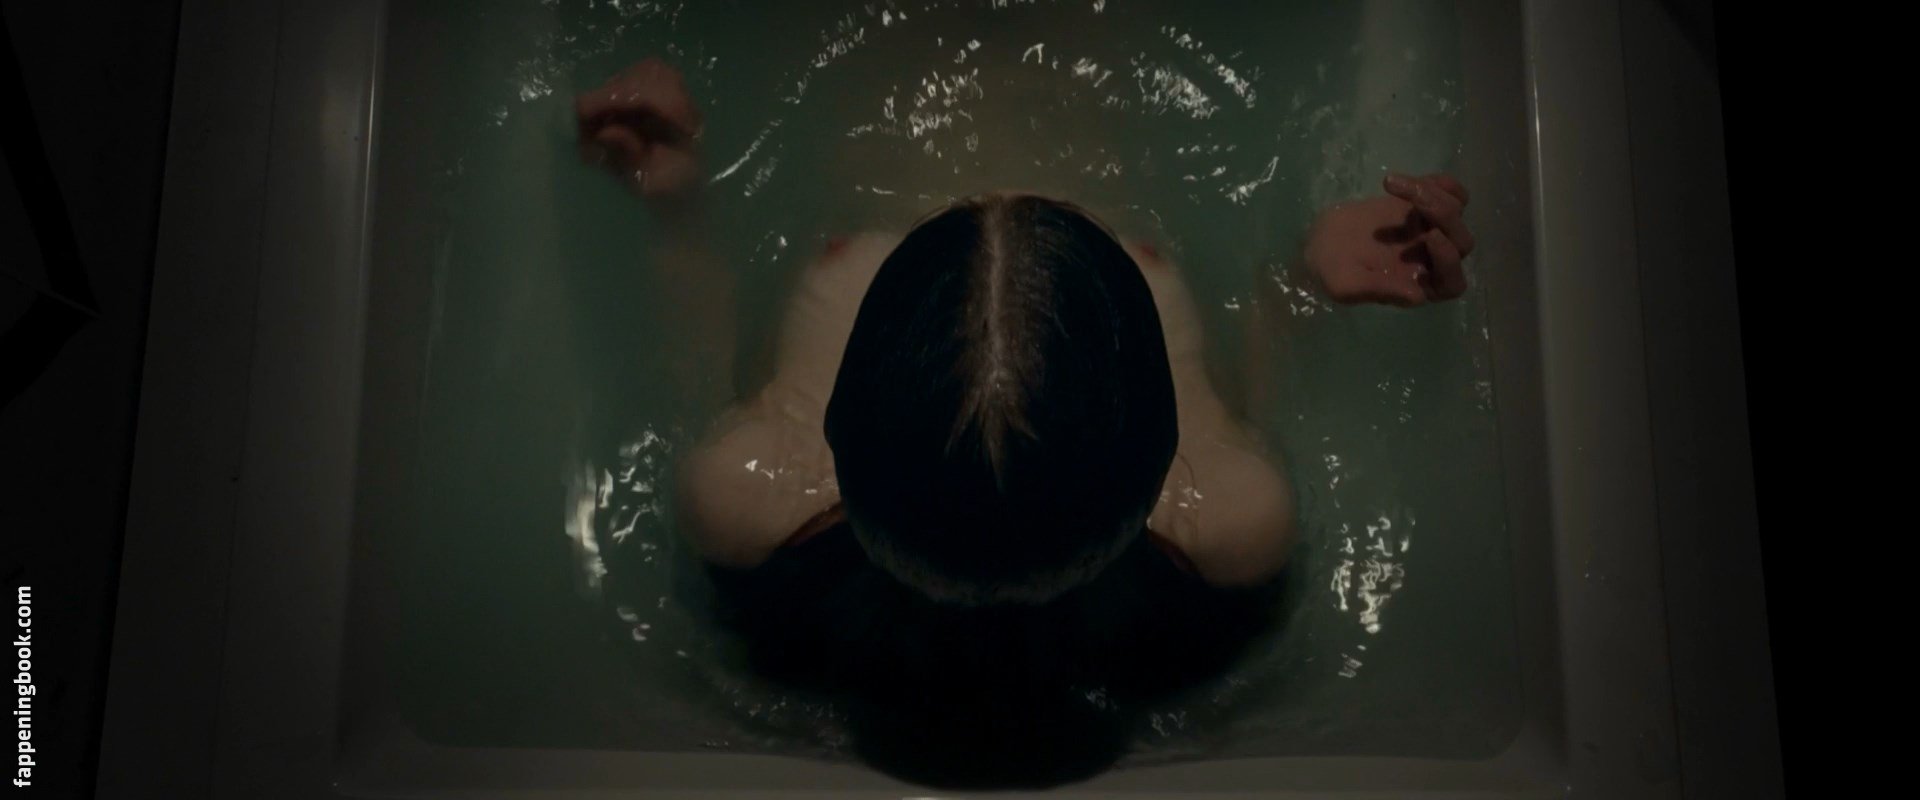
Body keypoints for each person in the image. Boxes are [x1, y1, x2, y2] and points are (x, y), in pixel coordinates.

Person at [576, 57, 1475, 782]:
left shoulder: (746, 492)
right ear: (1166, 453)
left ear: (836, 430)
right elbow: (1242, 414)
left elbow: (705, 378)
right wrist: (1297, 291)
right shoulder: (1230, 518)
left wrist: (676, 208)